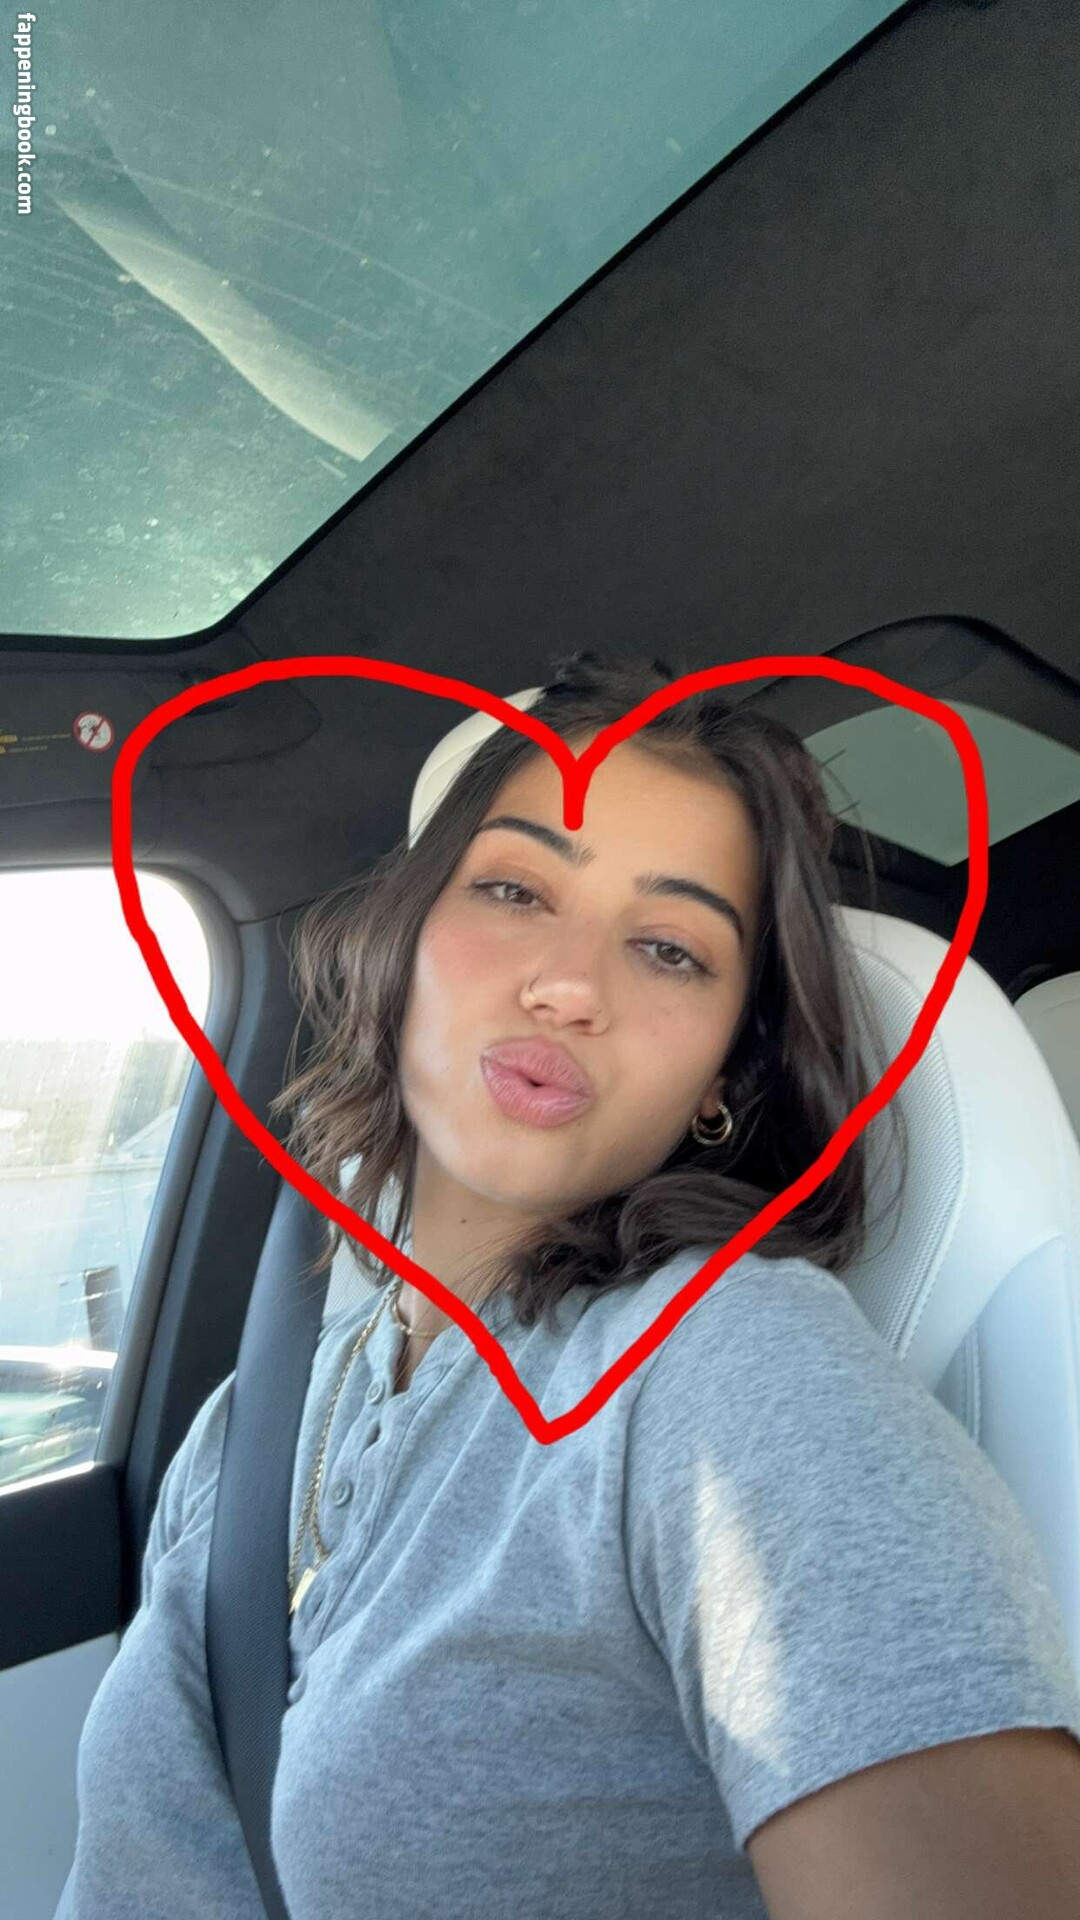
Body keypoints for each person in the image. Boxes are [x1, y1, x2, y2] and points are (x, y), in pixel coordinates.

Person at [55, 650, 1080, 1919]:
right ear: (395, 945)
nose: (571, 986)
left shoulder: (732, 1376)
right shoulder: (246, 1427)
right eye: (513, 889)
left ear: (721, 1078)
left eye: (670, 949)